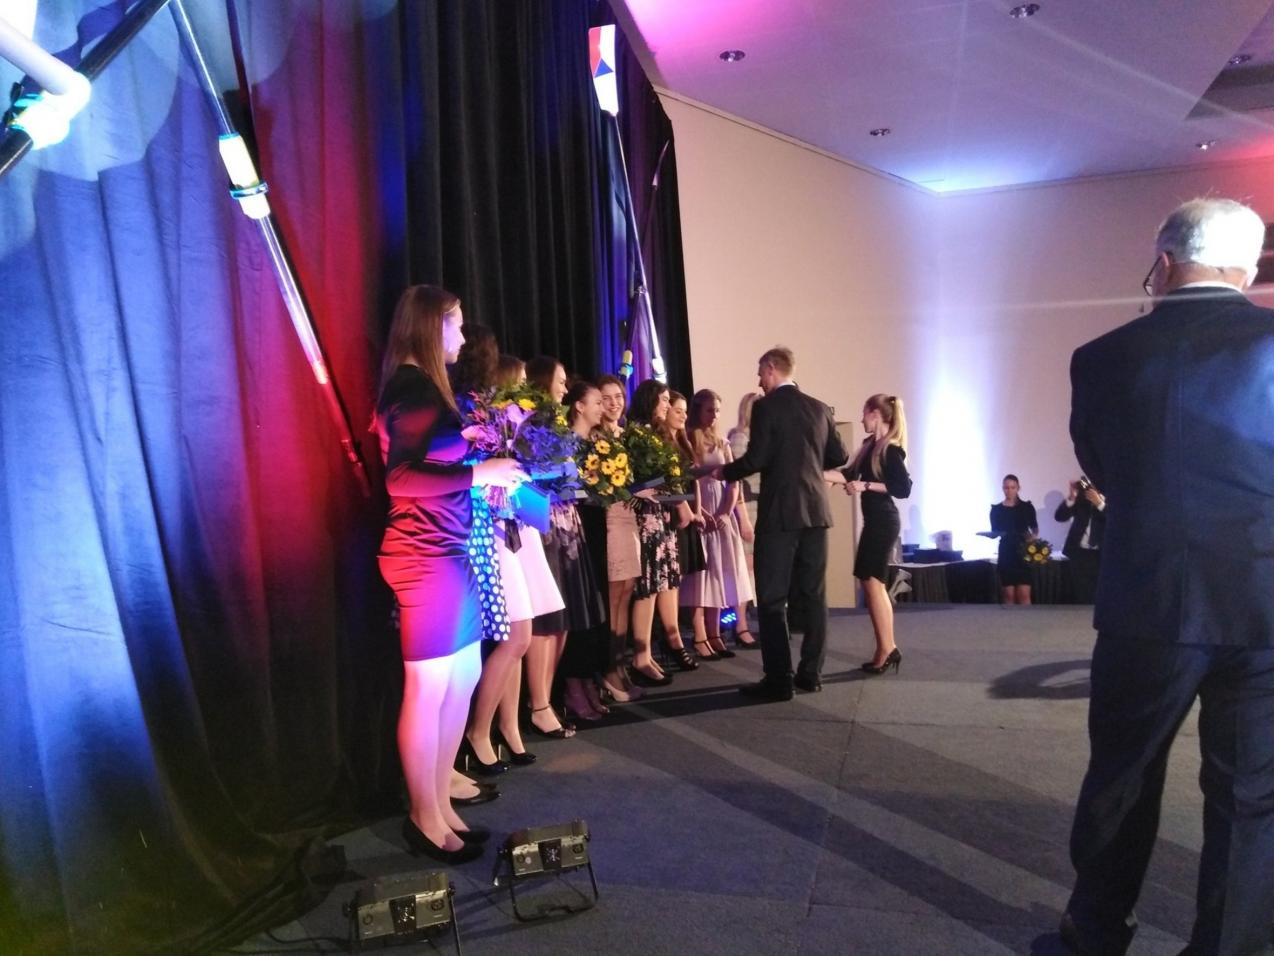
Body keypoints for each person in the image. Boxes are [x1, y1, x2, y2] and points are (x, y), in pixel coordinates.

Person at [1061, 198, 1274, 956]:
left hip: (1146, 596)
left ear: (1163, 260)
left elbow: (1101, 468)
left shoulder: (1101, 356)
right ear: (1248, 268)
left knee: (1123, 774)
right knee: (1251, 793)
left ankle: (1095, 932)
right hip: (1263, 601)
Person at [374, 285, 524, 863]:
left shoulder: (423, 387)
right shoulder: (411, 387)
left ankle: (439, 806)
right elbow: (400, 478)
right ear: (429, 327)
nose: (463, 335)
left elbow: (429, 463)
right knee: (430, 686)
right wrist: (480, 472)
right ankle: (423, 816)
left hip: (447, 550)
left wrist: (473, 459)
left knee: (460, 678)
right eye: (455, 324)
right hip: (424, 555)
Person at [453, 336, 568, 772]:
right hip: (492, 533)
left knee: (518, 638)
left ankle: (507, 727)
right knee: (515, 637)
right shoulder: (478, 419)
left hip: (514, 528)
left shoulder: (504, 421)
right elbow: (471, 475)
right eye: (518, 381)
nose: (524, 390)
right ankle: (478, 732)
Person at [715, 346, 849, 700]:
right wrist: (806, 458)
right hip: (816, 513)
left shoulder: (766, 407)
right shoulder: (819, 408)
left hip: (780, 514)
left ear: (772, 368)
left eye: (761, 372)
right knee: (815, 596)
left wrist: (723, 472)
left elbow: (756, 459)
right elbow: (840, 456)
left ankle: (779, 679)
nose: (759, 380)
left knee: (773, 598)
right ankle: (811, 674)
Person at [522, 355, 582, 738]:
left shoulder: (556, 423)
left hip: (565, 525)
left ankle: (545, 699)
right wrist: (557, 472)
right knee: (545, 623)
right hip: (542, 525)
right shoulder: (528, 424)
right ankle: (538, 703)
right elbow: (524, 473)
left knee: (561, 622)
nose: (564, 388)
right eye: (560, 381)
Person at [833, 394, 911, 674]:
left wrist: (865, 485)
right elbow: (848, 475)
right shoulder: (870, 446)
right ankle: (886, 648)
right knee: (872, 582)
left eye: (864, 413)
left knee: (873, 582)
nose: (862, 419)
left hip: (883, 521)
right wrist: (814, 473)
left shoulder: (890, 449)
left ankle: (887, 648)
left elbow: (903, 488)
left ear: (875, 414)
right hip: (875, 521)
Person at [681, 389, 755, 663]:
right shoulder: (688, 440)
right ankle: (700, 635)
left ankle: (715, 633)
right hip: (699, 511)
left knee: (719, 574)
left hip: (720, 513)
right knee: (701, 577)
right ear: (698, 410)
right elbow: (685, 481)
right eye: (709, 410)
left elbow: (734, 481)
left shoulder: (723, 443)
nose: (714, 415)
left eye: (717, 410)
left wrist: (725, 512)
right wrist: (700, 512)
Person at [557, 380, 614, 721]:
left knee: (595, 608)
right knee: (578, 609)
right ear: (578, 406)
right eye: (596, 402)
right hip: (573, 530)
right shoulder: (565, 442)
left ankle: (589, 679)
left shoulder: (597, 443)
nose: (602, 408)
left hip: (594, 524)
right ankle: (573, 685)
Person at [626, 379, 678, 688]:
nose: (668, 405)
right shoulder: (636, 434)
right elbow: (633, 480)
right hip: (643, 517)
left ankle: (645, 654)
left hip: (658, 515)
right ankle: (640, 657)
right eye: (664, 400)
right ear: (650, 401)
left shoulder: (656, 434)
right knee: (646, 588)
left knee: (656, 586)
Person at [596, 374, 644, 702]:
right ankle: (608, 668)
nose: (614, 403)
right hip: (610, 518)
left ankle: (620, 664)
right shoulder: (595, 438)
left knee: (627, 591)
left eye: (618, 397)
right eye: (607, 398)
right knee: (614, 594)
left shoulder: (627, 436)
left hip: (630, 517)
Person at [726, 392, 761, 649]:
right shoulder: (740, 437)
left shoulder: (758, 438)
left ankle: (744, 623)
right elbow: (736, 480)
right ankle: (740, 626)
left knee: (752, 570)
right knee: (745, 571)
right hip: (747, 508)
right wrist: (744, 520)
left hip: (759, 507)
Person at [1054, 478, 1105, 604]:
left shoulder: (1113, 498)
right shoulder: (1082, 499)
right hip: (1079, 552)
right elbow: (1060, 517)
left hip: (1101, 553)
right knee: (1080, 591)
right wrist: (1072, 497)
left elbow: (1116, 520)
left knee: (1099, 591)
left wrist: (1099, 504)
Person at [988, 475, 1038, 605]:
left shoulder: (1027, 507)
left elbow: (1035, 528)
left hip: (1023, 552)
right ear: (1002, 488)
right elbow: (995, 532)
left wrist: (1032, 538)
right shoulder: (996, 510)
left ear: (1018, 488)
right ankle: (1009, 619)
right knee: (1008, 595)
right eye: (1006, 488)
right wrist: (990, 535)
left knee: (1024, 594)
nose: (1009, 490)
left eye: (1012, 487)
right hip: (1006, 552)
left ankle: (1026, 619)